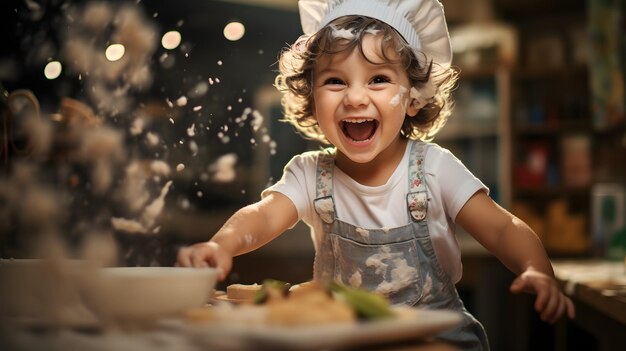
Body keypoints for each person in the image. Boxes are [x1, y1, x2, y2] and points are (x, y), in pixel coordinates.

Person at [177, 0, 575, 349]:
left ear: (414, 97)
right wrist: (222, 245)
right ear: (311, 97)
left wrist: (536, 268)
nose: (354, 97)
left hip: (433, 339)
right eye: (335, 80)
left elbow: (503, 228)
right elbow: (262, 217)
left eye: (379, 79)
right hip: (346, 337)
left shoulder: (434, 169)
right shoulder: (310, 174)